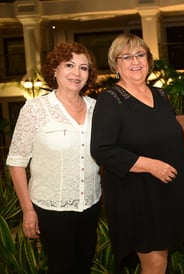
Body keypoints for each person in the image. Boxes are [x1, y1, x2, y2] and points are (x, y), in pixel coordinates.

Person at [90, 34, 184, 274]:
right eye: (126, 57)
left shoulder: (160, 95)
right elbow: (101, 149)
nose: (135, 61)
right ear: (115, 64)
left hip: (165, 192)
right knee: (155, 263)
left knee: (161, 259)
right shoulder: (110, 99)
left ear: (148, 60)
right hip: (135, 194)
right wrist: (150, 165)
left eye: (140, 55)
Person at [6, 41, 101, 274]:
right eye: (69, 65)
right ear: (54, 70)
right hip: (51, 208)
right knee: (61, 268)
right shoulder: (35, 109)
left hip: (91, 203)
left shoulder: (97, 109)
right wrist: (28, 210)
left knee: (84, 265)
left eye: (83, 67)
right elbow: (16, 162)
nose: (76, 73)